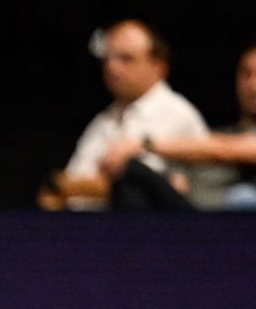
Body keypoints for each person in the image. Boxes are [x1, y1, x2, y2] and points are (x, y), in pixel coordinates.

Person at [98, 37, 256, 210]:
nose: (252, 84)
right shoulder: (223, 132)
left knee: (132, 171)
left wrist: (142, 144)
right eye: (245, 74)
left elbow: (224, 151)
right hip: (190, 220)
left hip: (236, 229)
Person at [40, 20, 205, 210]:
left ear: (158, 66)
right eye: (108, 59)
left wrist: (65, 187)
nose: (112, 68)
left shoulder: (176, 113)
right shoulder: (104, 120)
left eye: (126, 59)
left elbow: (136, 189)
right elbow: (68, 183)